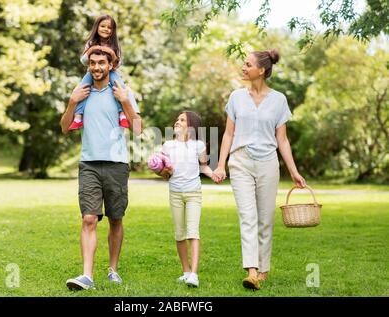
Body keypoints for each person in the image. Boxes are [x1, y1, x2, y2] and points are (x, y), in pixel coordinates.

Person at [213, 49, 306, 290]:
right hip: (240, 162)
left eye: (247, 64)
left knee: (265, 219)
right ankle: (251, 271)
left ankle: (263, 269)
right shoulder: (236, 97)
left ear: (261, 70)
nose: (243, 68)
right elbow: (229, 134)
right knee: (248, 216)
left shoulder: (279, 100)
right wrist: (221, 164)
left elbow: (282, 140)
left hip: (267, 163)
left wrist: (294, 171)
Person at [60, 46, 143, 290]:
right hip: (89, 164)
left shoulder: (121, 91)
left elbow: (138, 129)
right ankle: (87, 275)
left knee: (115, 219)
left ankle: (113, 270)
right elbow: (65, 127)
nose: (96, 67)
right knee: (88, 219)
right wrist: (72, 101)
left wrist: (126, 102)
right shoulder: (81, 93)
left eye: (101, 63)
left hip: (117, 163)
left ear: (110, 65)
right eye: (92, 63)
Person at [158, 111, 219, 288]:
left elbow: (204, 166)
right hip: (175, 193)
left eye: (182, 120)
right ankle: (185, 272)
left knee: (193, 232)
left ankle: (194, 274)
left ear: (191, 127)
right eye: (177, 119)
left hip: (193, 193)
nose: (177, 122)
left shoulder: (198, 145)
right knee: (179, 234)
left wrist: (213, 175)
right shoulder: (168, 146)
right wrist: (163, 171)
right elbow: (164, 173)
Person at [69, 14, 129, 130]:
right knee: (81, 89)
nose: (106, 29)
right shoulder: (90, 43)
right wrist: (91, 50)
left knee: (119, 87)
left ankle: (122, 114)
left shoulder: (114, 45)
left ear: (113, 31)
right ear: (97, 27)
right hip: (91, 72)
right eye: (103, 26)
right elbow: (83, 61)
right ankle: (78, 117)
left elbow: (118, 63)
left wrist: (111, 54)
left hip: (111, 72)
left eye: (109, 27)